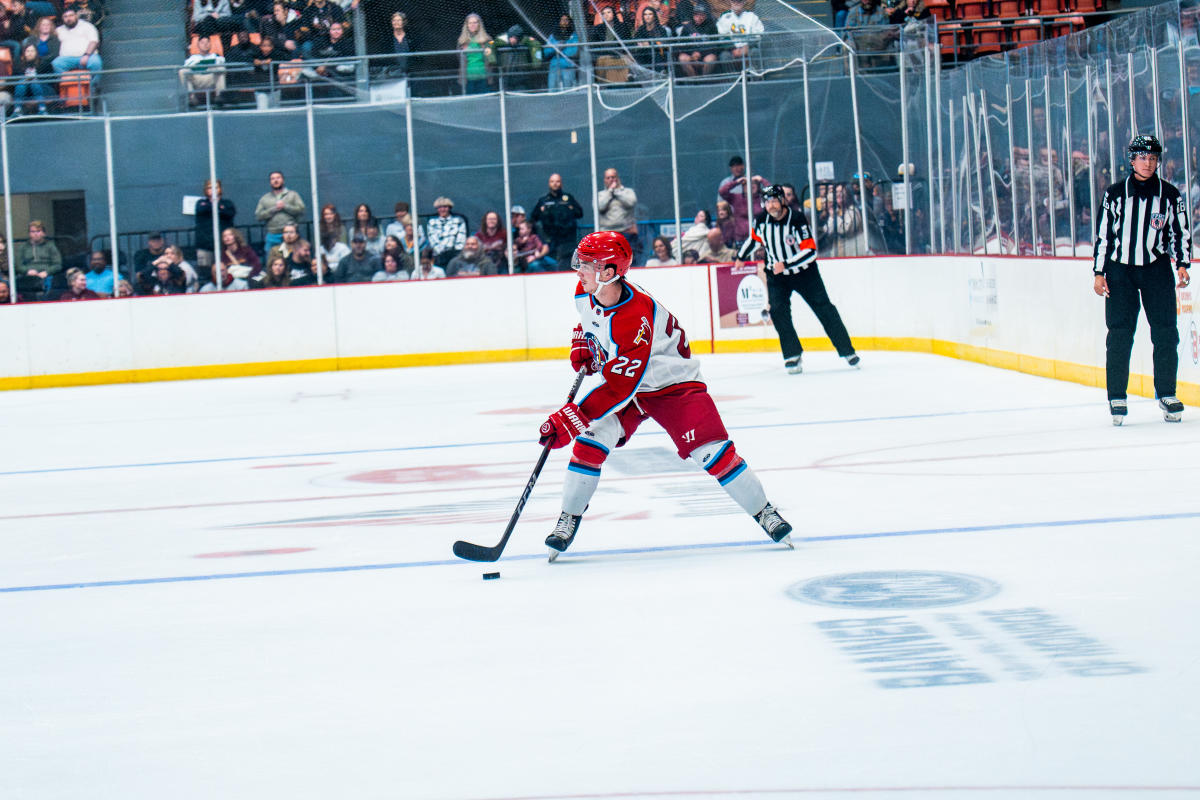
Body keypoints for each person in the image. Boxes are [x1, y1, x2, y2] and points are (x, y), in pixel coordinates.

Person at [537, 230, 793, 560]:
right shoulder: (586, 290)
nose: (579, 271)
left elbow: (618, 388)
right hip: (631, 383)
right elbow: (588, 321)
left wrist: (572, 418)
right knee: (589, 443)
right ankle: (568, 517)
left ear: (610, 272)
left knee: (713, 453)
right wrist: (582, 342)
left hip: (672, 385)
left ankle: (764, 512)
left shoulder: (634, 318)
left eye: (588, 265)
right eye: (580, 263)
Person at [1093, 134, 1190, 425]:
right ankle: (1117, 396)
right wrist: (1098, 273)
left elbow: (1180, 233)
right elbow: (1103, 236)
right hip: (1119, 270)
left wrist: (1182, 264)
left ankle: (1166, 392)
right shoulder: (1114, 193)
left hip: (1156, 269)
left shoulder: (1171, 195)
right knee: (1120, 333)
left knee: (1165, 332)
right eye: (1142, 157)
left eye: (1153, 158)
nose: (1148, 163)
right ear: (1131, 160)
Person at [735, 184, 860, 374]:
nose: (771, 205)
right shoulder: (761, 220)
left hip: (805, 274)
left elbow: (809, 251)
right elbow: (754, 240)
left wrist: (786, 263)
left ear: (783, 200)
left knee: (824, 308)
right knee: (778, 312)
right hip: (777, 276)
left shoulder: (797, 219)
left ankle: (847, 351)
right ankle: (792, 354)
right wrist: (740, 257)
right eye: (767, 202)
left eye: (775, 200)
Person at [532, 173, 584, 267]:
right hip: (550, 240)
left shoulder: (568, 198)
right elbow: (533, 217)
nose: (555, 184)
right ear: (549, 184)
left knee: (567, 264)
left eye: (557, 181)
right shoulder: (544, 200)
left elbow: (579, 213)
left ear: (561, 183)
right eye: (552, 181)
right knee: (552, 265)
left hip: (567, 240)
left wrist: (570, 209)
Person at [717, 155, 764, 243]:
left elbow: (768, 192)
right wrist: (736, 183)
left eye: (739, 165)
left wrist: (761, 180)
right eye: (734, 166)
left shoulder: (751, 180)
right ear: (730, 168)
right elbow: (721, 197)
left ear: (743, 166)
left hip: (753, 225)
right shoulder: (726, 183)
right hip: (731, 220)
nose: (737, 168)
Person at [255, 170, 306, 252]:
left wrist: (285, 206)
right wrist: (273, 209)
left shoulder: (293, 195)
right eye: (273, 179)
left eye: (278, 178)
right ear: (270, 182)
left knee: (292, 259)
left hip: (291, 234)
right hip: (273, 235)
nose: (276, 180)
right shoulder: (265, 198)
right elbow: (258, 216)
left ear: (283, 180)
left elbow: (301, 210)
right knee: (272, 260)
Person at [52, 6, 102, 87]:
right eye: (65, 16)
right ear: (62, 19)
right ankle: (69, 87)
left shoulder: (87, 26)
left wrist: (87, 55)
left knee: (96, 62)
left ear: (76, 16)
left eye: (71, 15)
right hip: (68, 59)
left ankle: (93, 89)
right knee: (56, 63)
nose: (68, 18)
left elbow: (94, 42)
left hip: (88, 57)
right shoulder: (59, 30)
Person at [597, 167, 639, 260]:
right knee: (609, 262)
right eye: (608, 178)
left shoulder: (628, 191)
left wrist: (616, 192)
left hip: (627, 233)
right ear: (604, 180)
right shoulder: (600, 195)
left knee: (628, 261)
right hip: (607, 235)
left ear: (618, 178)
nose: (611, 179)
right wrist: (610, 192)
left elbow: (631, 202)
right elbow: (600, 207)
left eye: (613, 177)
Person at [194, 178, 236, 269]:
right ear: (206, 190)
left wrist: (217, 206)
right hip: (205, 246)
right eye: (210, 187)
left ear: (220, 189)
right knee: (205, 272)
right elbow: (202, 210)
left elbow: (229, 213)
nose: (213, 190)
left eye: (216, 187)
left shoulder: (227, 203)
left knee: (226, 269)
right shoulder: (200, 203)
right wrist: (218, 207)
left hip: (224, 246)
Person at [181, 34, 226, 106]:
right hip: (197, 79)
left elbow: (222, 63)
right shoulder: (193, 58)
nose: (205, 44)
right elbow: (187, 67)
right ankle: (192, 97)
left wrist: (212, 66)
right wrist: (196, 64)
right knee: (182, 71)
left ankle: (219, 96)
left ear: (210, 44)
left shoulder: (216, 56)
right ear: (198, 45)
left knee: (221, 68)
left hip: (211, 78)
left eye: (207, 42)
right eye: (202, 43)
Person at [492, 24, 541, 91]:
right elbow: (489, 45)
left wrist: (536, 63)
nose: (512, 40)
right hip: (506, 74)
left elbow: (536, 44)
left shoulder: (524, 40)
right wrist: (492, 60)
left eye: (515, 37)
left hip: (521, 75)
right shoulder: (500, 40)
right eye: (511, 37)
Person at [677, 2, 719, 78]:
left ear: (706, 15)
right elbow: (681, 45)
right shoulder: (688, 27)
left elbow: (715, 45)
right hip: (691, 55)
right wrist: (692, 54)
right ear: (693, 15)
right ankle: (694, 80)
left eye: (702, 15)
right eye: (696, 15)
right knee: (682, 58)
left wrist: (701, 53)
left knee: (711, 59)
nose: (698, 17)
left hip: (706, 54)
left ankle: (704, 80)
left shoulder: (711, 26)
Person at [715, 0, 763, 66]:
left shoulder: (751, 16)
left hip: (748, 47)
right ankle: (732, 76)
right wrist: (733, 48)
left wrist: (747, 46)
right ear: (730, 2)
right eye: (734, 1)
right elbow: (722, 35)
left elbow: (758, 34)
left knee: (755, 52)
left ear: (744, 2)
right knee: (724, 56)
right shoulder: (725, 16)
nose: (737, 3)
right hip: (731, 49)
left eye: (739, 1)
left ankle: (755, 75)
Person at [11, 42, 53, 116]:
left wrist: (34, 78)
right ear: (24, 53)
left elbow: (49, 78)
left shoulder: (43, 63)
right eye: (28, 51)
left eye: (32, 51)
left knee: (34, 82)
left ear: (36, 52)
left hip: (42, 88)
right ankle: (17, 110)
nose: (30, 53)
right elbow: (14, 78)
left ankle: (42, 109)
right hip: (25, 90)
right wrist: (26, 79)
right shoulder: (18, 64)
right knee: (22, 83)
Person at [426, 196, 468, 267]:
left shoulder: (459, 221)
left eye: (445, 207)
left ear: (449, 208)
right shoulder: (432, 222)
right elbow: (433, 240)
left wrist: (455, 253)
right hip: (439, 256)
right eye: (439, 207)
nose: (442, 209)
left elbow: (461, 240)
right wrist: (441, 252)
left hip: (455, 255)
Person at [458, 13, 493, 95]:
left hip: (484, 77)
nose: (472, 25)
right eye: (470, 23)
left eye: (475, 22)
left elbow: (491, 58)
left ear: (479, 24)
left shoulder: (487, 39)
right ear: (466, 25)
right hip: (468, 79)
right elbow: (459, 59)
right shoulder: (462, 41)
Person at [546, 14, 578, 90]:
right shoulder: (552, 36)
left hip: (568, 65)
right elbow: (546, 51)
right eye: (562, 20)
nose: (564, 22)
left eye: (566, 20)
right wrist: (556, 48)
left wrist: (563, 47)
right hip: (554, 65)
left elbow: (573, 51)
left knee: (568, 89)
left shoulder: (573, 36)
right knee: (553, 88)